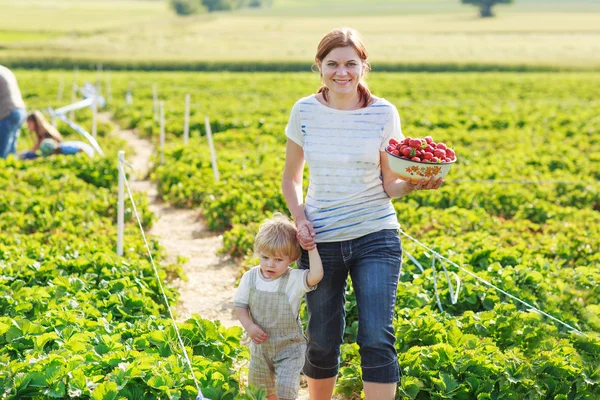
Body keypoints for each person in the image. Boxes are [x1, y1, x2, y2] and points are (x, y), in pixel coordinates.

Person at [281, 28, 443, 400]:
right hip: (321, 239)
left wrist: (416, 183)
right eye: (333, 63)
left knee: (375, 335)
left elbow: (390, 184)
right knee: (322, 337)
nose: (342, 72)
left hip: (376, 235)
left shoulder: (383, 113)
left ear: (363, 67)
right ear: (318, 66)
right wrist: (300, 219)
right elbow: (291, 178)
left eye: (351, 64)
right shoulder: (304, 111)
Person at [234, 213, 323, 400]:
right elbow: (240, 306)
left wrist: (312, 248)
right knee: (261, 392)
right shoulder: (250, 277)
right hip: (261, 348)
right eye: (265, 257)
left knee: (285, 389)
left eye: (278, 260)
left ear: (291, 258)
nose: (270, 264)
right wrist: (249, 326)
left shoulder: (294, 279)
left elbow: (316, 275)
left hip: (289, 348)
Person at [0, 65, 27, 159]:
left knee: (1, 151)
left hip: (7, 113)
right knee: (10, 150)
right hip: (19, 111)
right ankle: (11, 168)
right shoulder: (4, 70)